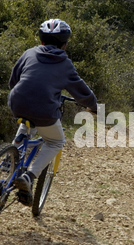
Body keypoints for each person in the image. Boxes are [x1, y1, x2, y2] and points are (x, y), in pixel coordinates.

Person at [7, 19, 98, 206]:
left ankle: (11, 157)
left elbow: (13, 80)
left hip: (16, 102)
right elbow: (82, 93)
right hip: (44, 111)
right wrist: (93, 106)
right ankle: (30, 177)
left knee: (27, 122)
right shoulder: (64, 64)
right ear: (64, 45)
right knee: (56, 141)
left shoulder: (29, 53)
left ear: (41, 41)